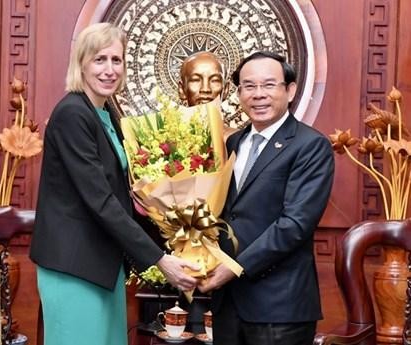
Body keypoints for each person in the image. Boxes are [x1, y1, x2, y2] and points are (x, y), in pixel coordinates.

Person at [29, 23, 199, 345]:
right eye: (99, 60)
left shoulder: (105, 112)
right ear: (81, 64)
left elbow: (123, 192)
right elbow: (100, 200)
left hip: (104, 264)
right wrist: (161, 260)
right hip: (74, 266)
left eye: (116, 60)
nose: (110, 70)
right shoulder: (72, 114)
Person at [198, 51, 335, 345]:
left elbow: (295, 224)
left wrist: (234, 268)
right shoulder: (233, 142)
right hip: (228, 305)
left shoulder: (310, 146)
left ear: (290, 90)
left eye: (269, 85)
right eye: (249, 86)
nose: (258, 95)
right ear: (239, 93)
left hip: (279, 307)